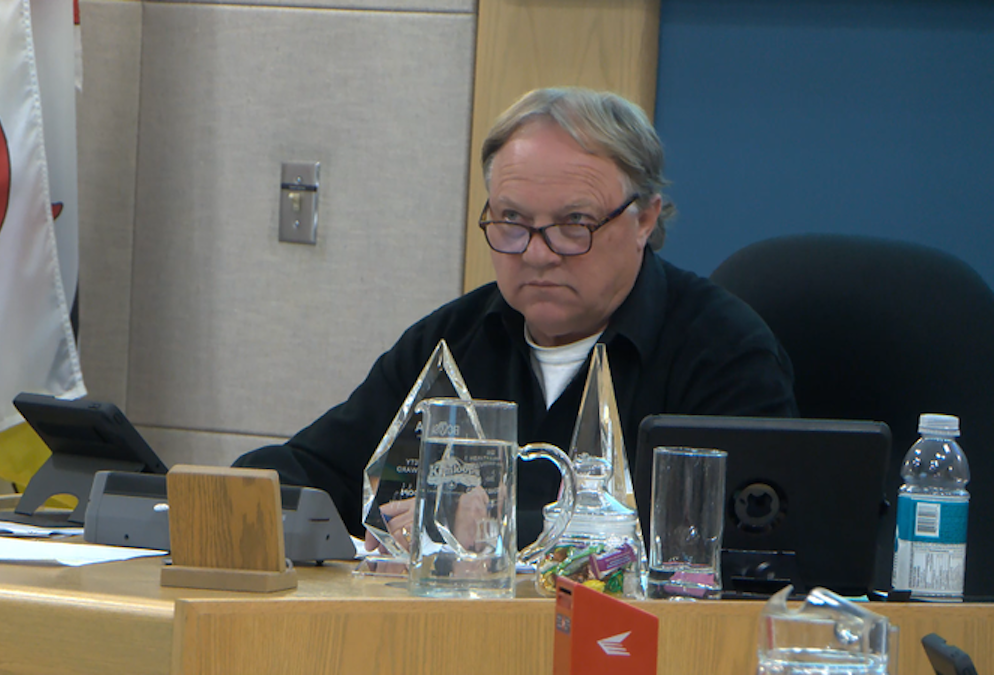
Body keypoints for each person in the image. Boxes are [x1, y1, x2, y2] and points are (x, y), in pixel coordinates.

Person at [235, 87, 797, 549]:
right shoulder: (453, 339)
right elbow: (320, 472)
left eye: (574, 224)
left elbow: (739, 538)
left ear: (645, 220)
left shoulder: (725, 350)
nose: (537, 253)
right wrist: (235, 493)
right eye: (512, 221)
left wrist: (497, 530)